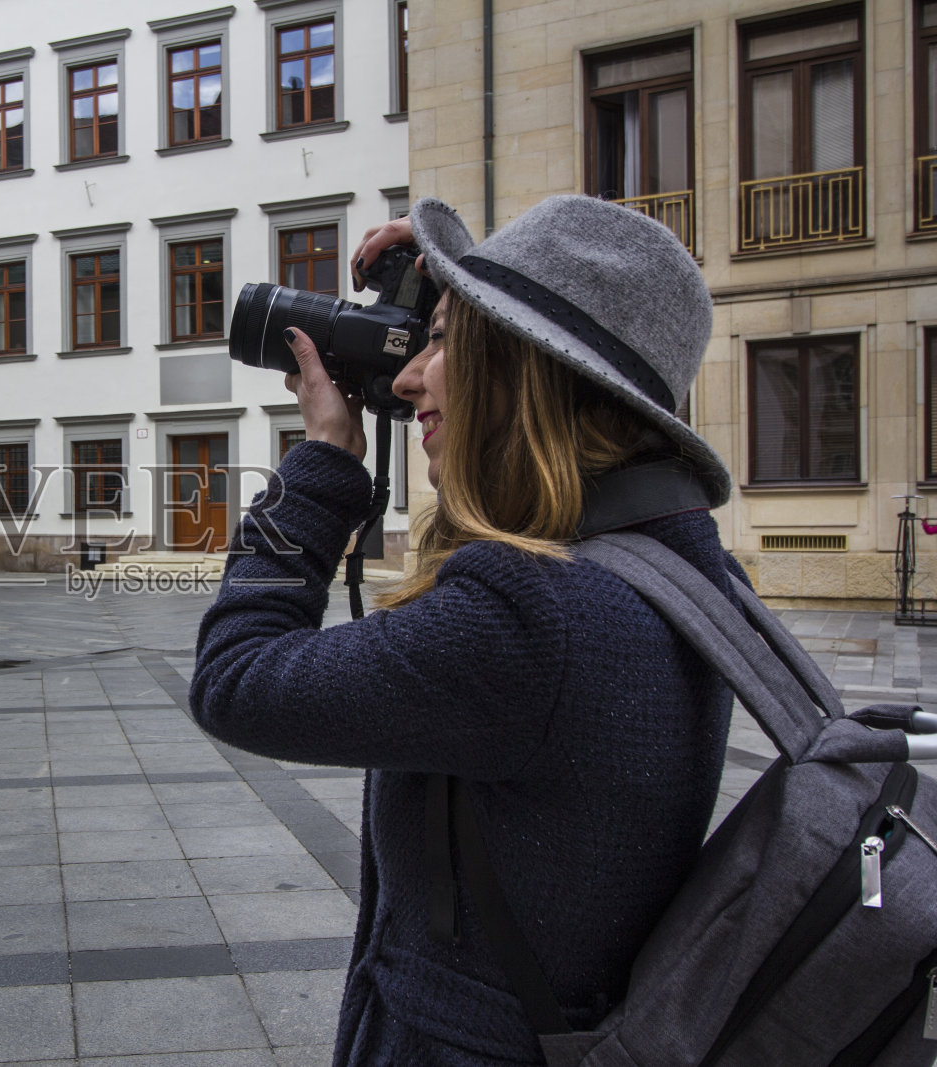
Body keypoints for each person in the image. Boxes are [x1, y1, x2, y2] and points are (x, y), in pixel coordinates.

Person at [190, 195, 740, 1066]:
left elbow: (235, 679)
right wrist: (465, 287)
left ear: (526, 372)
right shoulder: (679, 574)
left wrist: (323, 468)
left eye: (441, 341)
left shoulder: (530, 619)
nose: (406, 378)